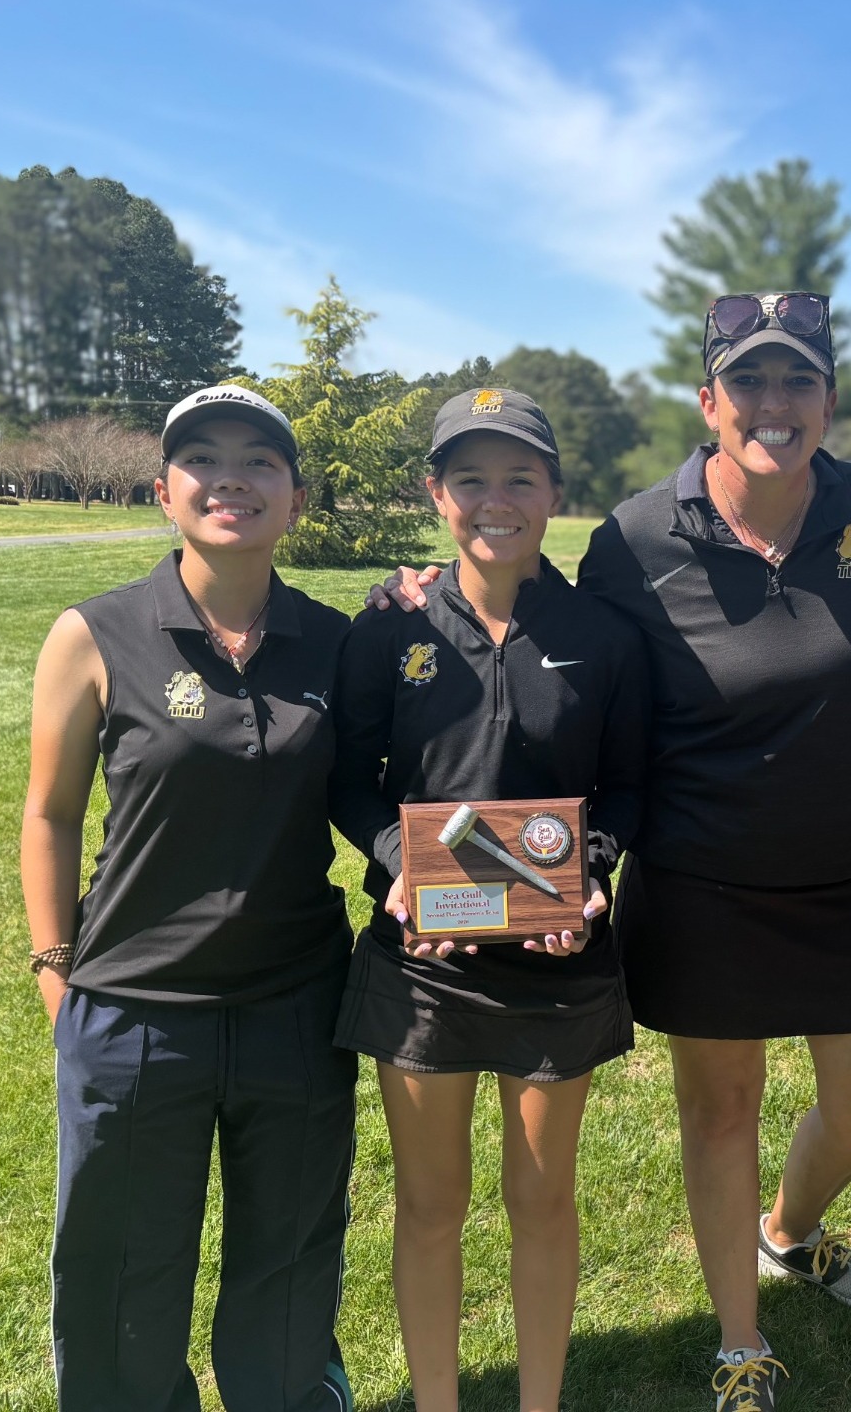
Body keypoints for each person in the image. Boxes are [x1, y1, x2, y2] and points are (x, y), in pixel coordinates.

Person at [370, 293, 851, 1411]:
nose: (774, 404)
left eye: (798, 381)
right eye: (748, 381)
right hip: (701, 876)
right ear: (708, 400)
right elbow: (553, 640)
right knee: (721, 1112)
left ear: (827, 399)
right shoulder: (635, 536)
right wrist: (418, 595)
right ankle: (738, 1346)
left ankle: (788, 1229)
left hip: (848, 871)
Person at [21, 384, 357, 1412]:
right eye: (202, 459)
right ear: (164, 491)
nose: (229, 480)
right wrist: (55, 971)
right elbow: (49, 814)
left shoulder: (338, 641)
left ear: (295, 498)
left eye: (258, 461)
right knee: (122, 1266)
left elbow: (400, 789)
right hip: (133, 1010)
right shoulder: (94, 633)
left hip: (295, 1006)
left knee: (289, 1254)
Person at [328, 388, 650, 1412]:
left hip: (558, 964)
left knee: (541, 1202)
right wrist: (401, 863)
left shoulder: (604, 635)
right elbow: (349, 777)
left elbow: (630, 785)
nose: (494, 500)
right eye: (469, 478)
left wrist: (588, 874)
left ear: (554, 492)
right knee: (429, 1206)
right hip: (424, 966)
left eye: (519, 478)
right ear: (436, 492)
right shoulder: (389, 628)